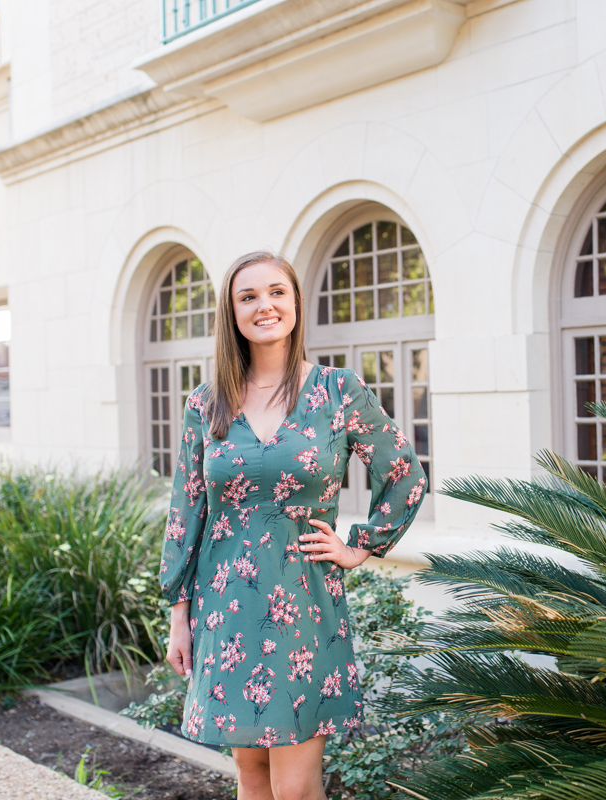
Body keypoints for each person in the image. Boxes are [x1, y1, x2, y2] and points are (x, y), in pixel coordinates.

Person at [159, 251, 427, 800]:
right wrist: (178, 614)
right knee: (252, 775)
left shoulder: (337, 390)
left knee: (298, 788)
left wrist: (361, 545)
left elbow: (403, 472)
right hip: (224, 604)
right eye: (248, 296)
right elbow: (186, 510)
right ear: (230, 313)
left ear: (297, 303)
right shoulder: (205, 403)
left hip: (302, 601)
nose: (265, 306)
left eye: (277, 292)